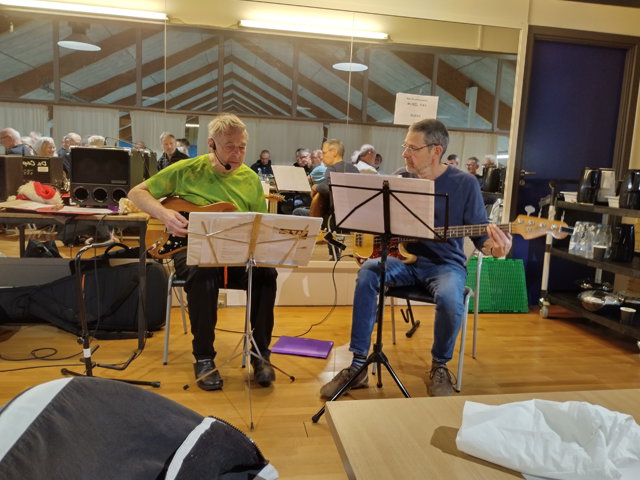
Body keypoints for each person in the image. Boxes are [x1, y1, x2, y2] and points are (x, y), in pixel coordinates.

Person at [319, 119, 512, 399]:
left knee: (450, 298)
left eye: (412, 148)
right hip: (403, 261)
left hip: (445, 266)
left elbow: (481, 236)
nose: (404, 154)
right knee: (369, 272)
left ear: (436, 151)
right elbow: (378, 221)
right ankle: (358, 365)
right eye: (405, 146)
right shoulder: (401, 179)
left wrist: (496, 249)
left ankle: (439, 365)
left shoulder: (465, 183)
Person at [128, 113, 277, 392]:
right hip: (189, 246)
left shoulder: (250, 178)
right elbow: (137, 192)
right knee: (203, 272)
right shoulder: (187, 169)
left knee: (266, 275)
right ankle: (204, 357)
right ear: (211, 144)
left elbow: (260, 225)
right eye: (230, 147)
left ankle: (260, 355)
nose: (237, 154)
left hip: (235, 252)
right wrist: (165, 214)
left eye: (242, 147)